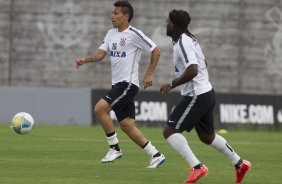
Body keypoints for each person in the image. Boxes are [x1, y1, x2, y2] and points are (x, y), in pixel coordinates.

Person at [160, 9, 251, 183]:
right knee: (207, 136)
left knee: (170, 130)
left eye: (168, 21)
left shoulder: (183, 42)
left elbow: (193, 69)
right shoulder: (189, 39)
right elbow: (203, 63)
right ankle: (239, 164)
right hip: (206, 92)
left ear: (175, 24)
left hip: (197, 95)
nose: (167, 23)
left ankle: (197, 167)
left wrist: (171, 84)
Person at [75, 1, 165, 168]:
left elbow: (156, 50)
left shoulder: (134, 34)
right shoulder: (110, 34)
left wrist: (149, 73)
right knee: (126, 125)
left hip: (128, 84)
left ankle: (114, 148)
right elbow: (101, 54)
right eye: (112, 13)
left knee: (100, 109)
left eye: (116, 13)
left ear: (126, 16)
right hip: (118, 84)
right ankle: (155, 154)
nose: (112, 16)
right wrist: (85, 60)